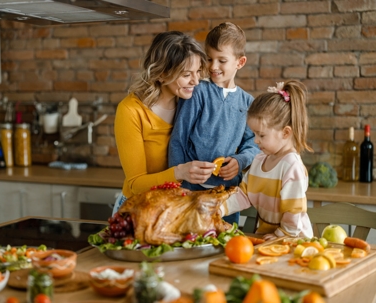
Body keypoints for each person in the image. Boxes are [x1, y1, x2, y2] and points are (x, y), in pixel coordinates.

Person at [112, 31, 217, 215]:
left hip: (175, 209)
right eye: (186, 74)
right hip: (138, 210)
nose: (196, 80)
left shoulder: (190, 103)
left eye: (198, 71)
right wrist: (180, 173)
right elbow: (136, 184)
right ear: (162, 74)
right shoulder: (131, 110)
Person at [168, 22, 260, 225]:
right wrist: (177, 184)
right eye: (209, 59)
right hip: (191, 189)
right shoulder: (198, 92)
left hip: (227, 194)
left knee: (225, 242)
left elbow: (253, 144)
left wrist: (240, 161)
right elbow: (179, 139)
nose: (213, 66)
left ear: (240, 62)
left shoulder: (247, 103)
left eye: (222, 60)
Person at [221, 80, 314, 240]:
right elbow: (244, 194)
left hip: (293, 240)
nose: (255, 141)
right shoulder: (259, 160)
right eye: (254, 134)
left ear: (285, 133)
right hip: (268, 237)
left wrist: (281, 235)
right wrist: (220, 209)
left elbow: (294, 213)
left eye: (261, 135)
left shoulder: (292, 166)